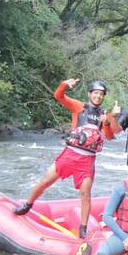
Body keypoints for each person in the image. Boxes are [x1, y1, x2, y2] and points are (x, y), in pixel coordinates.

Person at [14, 78, 118, 239]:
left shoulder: (105, 115)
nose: (98, 96)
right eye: (96, 93)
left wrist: (107, 123)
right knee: (46, 181)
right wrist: (64, 85)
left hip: (87, 160)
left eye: (101, 94)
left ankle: (83, 228)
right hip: (69, 154)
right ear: (90, 94)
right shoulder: (79, 106)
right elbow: (58, 96)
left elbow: (110, 137)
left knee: (85, 193)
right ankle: (27, 204)